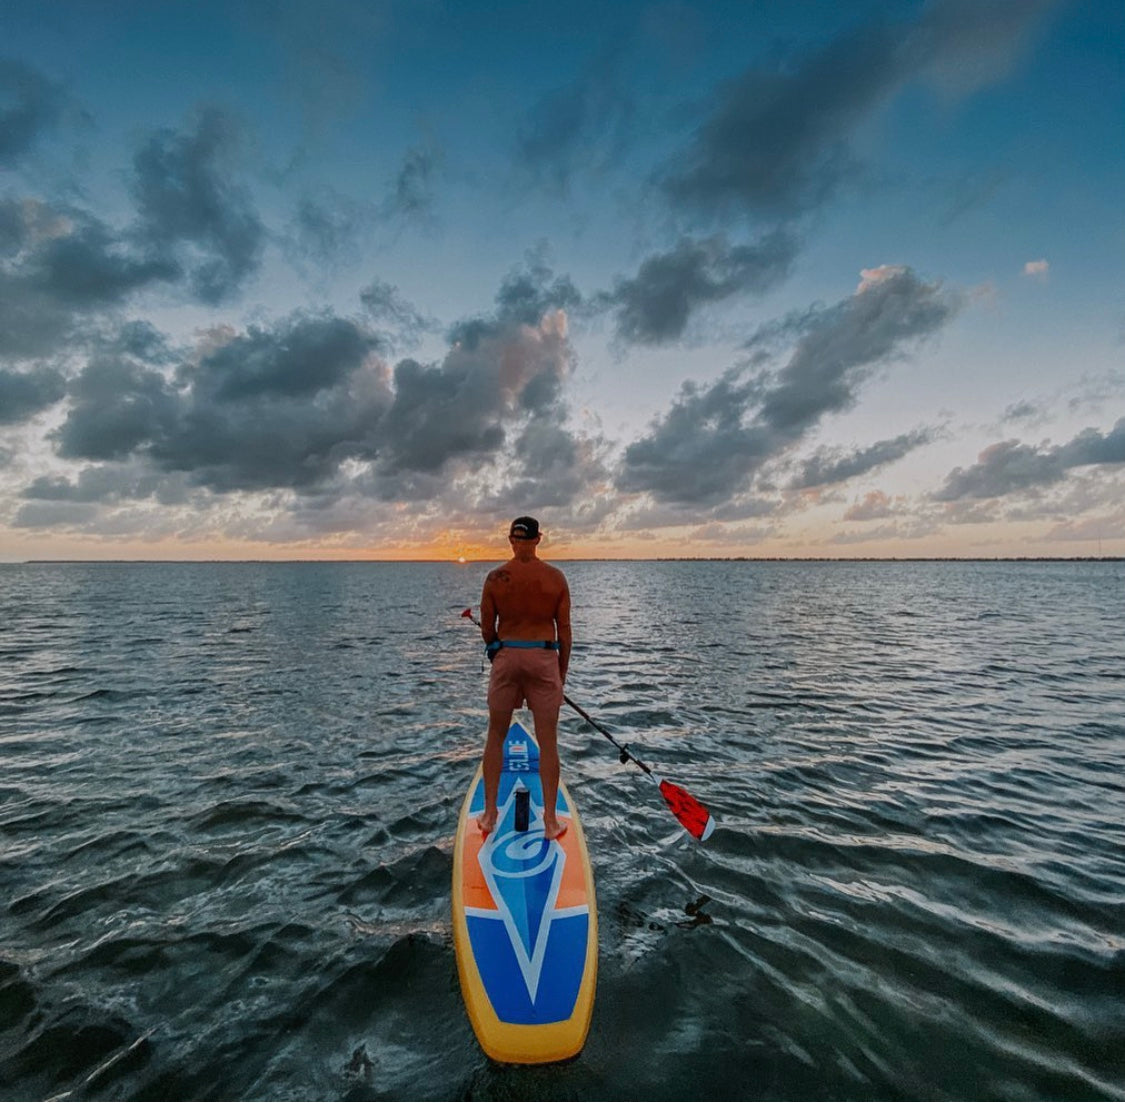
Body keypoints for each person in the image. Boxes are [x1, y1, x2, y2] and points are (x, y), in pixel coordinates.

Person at [476, 516, 571, 839]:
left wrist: (497, 649)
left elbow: (488, 629)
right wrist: (562, 671)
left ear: (511, 540)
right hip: (544, 658)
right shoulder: (555, 578)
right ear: (539, 539)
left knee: (496, 735)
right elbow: (566, 631)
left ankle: (489, 815)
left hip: (507, 658)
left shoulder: (494, 578)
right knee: (548, 742)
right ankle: (550, 821)